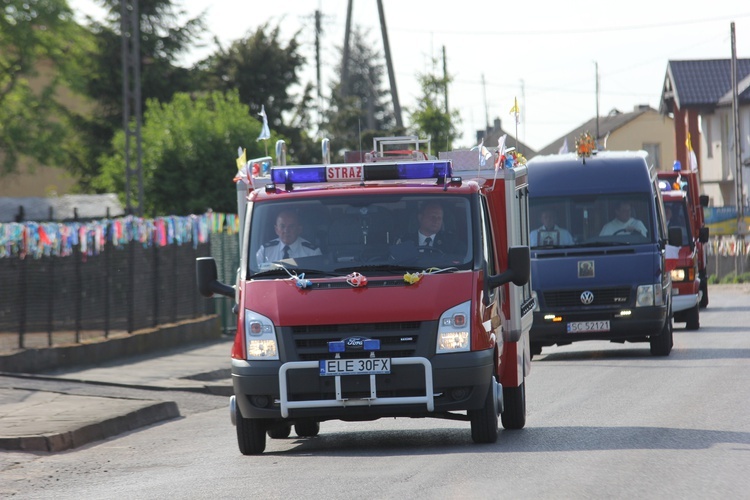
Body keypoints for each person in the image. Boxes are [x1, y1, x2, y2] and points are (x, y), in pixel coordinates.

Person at [256, 210, 321, 265]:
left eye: (291, 226)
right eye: (282, 226)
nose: (286, 231)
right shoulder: (265, 251)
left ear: (299, 229)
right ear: (276, 230)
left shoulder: (312, 253)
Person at [397, 202, 464, 255]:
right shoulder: (405, 241)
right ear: (420, 218)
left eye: (439, 218)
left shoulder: (451, 242)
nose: (436, 221)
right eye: (433, 217)